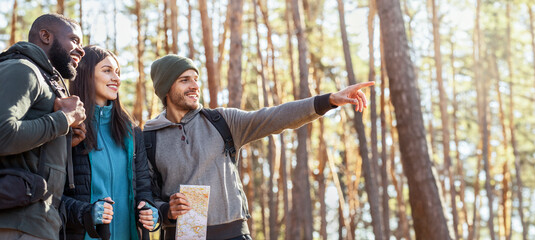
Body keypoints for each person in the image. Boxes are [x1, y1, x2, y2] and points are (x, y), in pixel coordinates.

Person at [143, 54, 374, 240]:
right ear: (165, 88)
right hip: (181, 236)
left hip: (233, 235)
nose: (195, 86)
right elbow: (146, 196)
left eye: (196, 78)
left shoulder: (222, 121)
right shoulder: (149, 138)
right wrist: (166, 211)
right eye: (185, 80)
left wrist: (329, 100)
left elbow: (276, 117)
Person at [0, 14, 86, 240]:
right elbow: (2, 134)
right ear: (45, 36)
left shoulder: (45, 79)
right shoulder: (22, 69)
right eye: (75, 40)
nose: (81, 49)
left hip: (38, 224)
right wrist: (64, 120)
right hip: (15, 225)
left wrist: (64, 137)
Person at [61, 45, 160, 240]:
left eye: (118, 72)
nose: (116, 78)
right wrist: (86, 213)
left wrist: (148, 210)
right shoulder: (68, 128)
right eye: (107, 71)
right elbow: (52, 196)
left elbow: (143, 189)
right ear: (86, 74)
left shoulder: (132, 132)